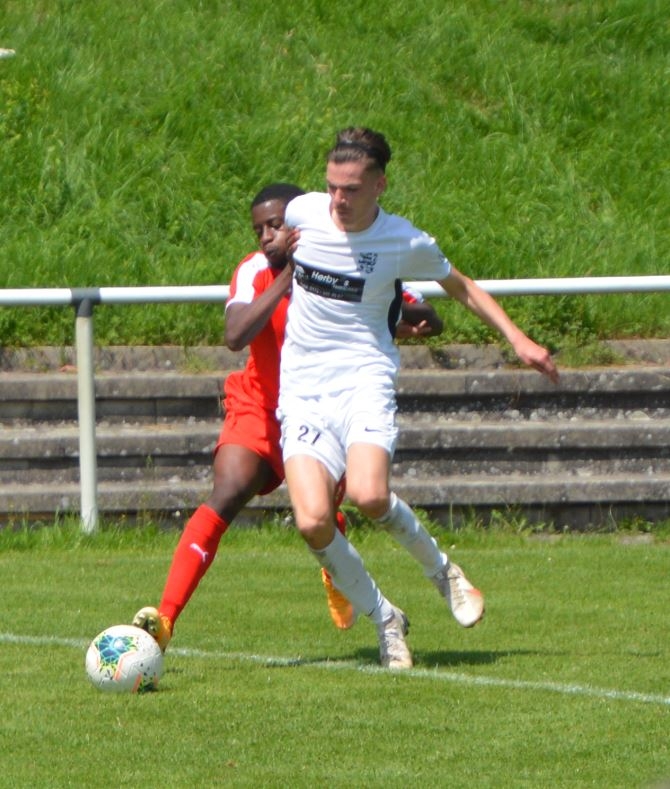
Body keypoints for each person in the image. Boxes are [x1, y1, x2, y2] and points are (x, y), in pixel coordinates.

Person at [278, 127, 560, 670]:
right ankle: (385, 618)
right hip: (303, 389)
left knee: (369, 495)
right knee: (312, 522)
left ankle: (442, 571)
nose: (338, 199)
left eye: (351, 189)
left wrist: (518, 339)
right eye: (332, 186)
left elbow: (462, 286)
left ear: (379, 185)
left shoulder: (404, 241)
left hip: (363, 380)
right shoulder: (302, 212)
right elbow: (276, 252)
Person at [132, 182, 443, 651]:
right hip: (259, 407)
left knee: (319, 517)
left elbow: (422, 310)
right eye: (259, 229)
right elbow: (235, 334)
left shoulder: (346, 260)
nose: (265, 237)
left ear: (302, 223)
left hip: (323, 409)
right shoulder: (256, 271)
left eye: (275, 226)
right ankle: (164, 621)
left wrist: (408, 319)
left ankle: (340, 572)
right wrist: (287, 277)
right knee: (227, 493)